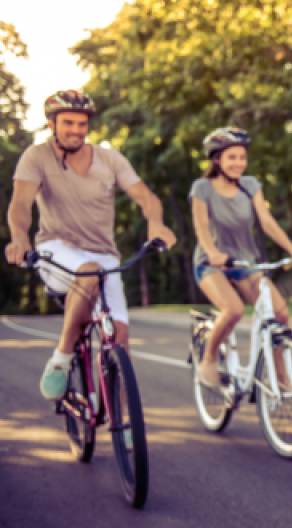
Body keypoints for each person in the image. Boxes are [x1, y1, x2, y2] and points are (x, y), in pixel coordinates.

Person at [5, 89, 177, 401]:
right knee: (88, 273)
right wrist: (19, 238)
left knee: (120, 340)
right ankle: (61, 358)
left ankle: (121, 423)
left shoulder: (110, 159)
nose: (75, 130)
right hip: (55, 250)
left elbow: (146, 197)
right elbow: (20, 205)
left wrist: (156, 222)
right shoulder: (36, 157)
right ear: (52, 124)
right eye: (68, 123)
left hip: (104, 255)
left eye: (81, 124)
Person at [190, 126, 292, 388]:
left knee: (279, 313)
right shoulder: (202, 188)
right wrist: (213, 253)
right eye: (232, 157)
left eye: (242, 157)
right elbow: (200, 227)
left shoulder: (250, 186)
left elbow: (266, 222)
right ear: (217, 159)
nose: (239, 163)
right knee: (233, 309)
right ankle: (209, 360)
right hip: (211, 264)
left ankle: (280, 377)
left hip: (245, 262)